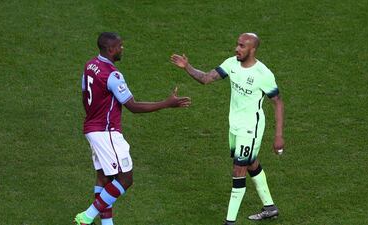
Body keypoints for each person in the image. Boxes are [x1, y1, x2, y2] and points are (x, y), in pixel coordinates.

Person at [74, 32, 191, 225]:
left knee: (104, 178)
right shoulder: (113, 75)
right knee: (126, 178)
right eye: (120, 46)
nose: (122, 48)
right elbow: (133, 106)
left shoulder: (89, 65)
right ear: (111, 49)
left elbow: (84, 94)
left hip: (91, 128)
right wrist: (167, 103)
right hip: (106, 131)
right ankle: (86, 217)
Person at [171, 33, 284, 224]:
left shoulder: (263, 74)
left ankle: (229, 222)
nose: (236, 49)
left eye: (241, 46)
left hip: (251, 129)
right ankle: (270, 207)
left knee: (238, 170)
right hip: (235, 126)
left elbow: (278, 103)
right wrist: (187, 67)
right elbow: (206, 78)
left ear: (252, 49)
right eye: (237, 45)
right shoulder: (232, 63)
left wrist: (278, 136)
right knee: (250, 162)